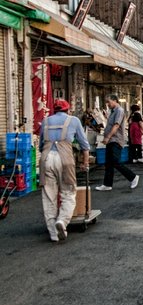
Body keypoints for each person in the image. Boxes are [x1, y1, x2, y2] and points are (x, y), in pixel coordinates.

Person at [39, 99, 90, 242]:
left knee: (49, 197)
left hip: (46, 159)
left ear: (54, 110)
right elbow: (84, 145)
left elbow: (41, 145)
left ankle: (53, 234)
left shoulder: (45, 121)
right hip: (65, 160)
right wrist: (85, 163)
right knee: (68, 193)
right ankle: (62, 220)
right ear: (68, 110)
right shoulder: (73, 121)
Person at [96, 94, 139, 191]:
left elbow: (116, 125)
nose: (108, 104)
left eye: (109, 102)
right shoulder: (113, 111)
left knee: (115, 162)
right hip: (111, 140)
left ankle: (132, 177)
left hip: (116, 140)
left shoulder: (119, 111)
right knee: (108, 163)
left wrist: (108, 137)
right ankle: (107, 184)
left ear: (115, 101)